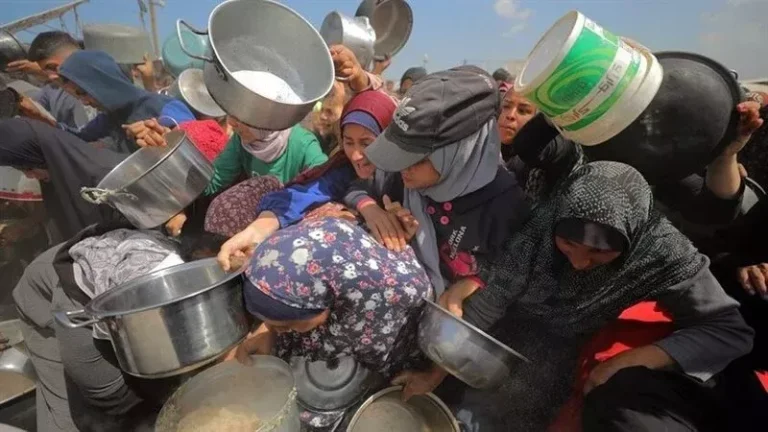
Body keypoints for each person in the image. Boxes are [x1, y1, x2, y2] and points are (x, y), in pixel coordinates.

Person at [424, 161, 753, 431]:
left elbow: (728, 330)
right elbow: (491, 300)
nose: (580, 263)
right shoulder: (540, 227)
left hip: (565, 344)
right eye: (568, 244)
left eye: (599, 252)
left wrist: (630, 361)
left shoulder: (661, 251)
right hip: (510, 322)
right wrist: (435, 372)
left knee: (512, 411)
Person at [13, 222, 227, 432]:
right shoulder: (83, 306)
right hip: (49, 297)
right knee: (70, 414)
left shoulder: (197, 275)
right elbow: (107, 395)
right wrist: (177, 405)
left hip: (119, 290)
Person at [363, 66, 530, 297]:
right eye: (400, 155)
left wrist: (475, 282)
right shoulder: (404, 179)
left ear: (458, 154)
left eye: (417, 159)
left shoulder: (505, 205)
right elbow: (358, 187)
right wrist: (372, 211)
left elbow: (510, 276)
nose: (403, 166)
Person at [229, 218, 433, 382]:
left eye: (286, 325)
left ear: (319, 305)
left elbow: (325, 347)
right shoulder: (324, 247)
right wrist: (269, 328)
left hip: (404, 339)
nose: (280, 330)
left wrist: (432, 376)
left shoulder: (374, 304)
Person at [215, 88, 401, 263]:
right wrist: (253, 233)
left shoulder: (406, 173)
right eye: (349, 142)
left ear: (388, 137)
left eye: (366, 143)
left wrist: (396, 221)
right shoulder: (344, 170)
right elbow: (304, 194)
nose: (355, 155)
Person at [53, 50, 194, 153]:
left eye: (83, 93)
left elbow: (198, 143)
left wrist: (163, 137)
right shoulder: (108, 117)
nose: (84, 102)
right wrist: (46, 122)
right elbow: (80, 138)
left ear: (102, 83)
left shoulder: (163, 107)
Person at [6, 31, 92, 129]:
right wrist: (39, 117)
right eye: (46, 69)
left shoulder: (84, 89)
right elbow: (82, 135)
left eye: (51, 67)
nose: (51, 76)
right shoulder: (50, 91)